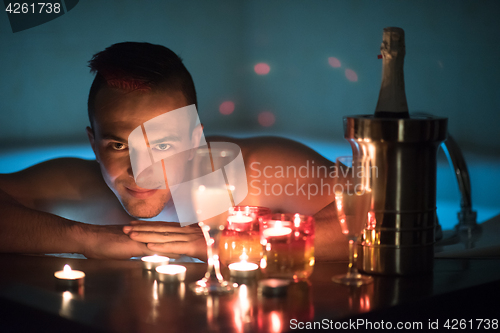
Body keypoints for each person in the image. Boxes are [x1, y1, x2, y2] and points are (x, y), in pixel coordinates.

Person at [0, 42, 347, 261]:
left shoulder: (254, 169)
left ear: (195, 139)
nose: (141, 169)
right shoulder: (77, 183)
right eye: (119, 145)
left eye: (162, 145)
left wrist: (226, 243)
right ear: (93, 143)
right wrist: (85, 237)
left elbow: (377, 214)